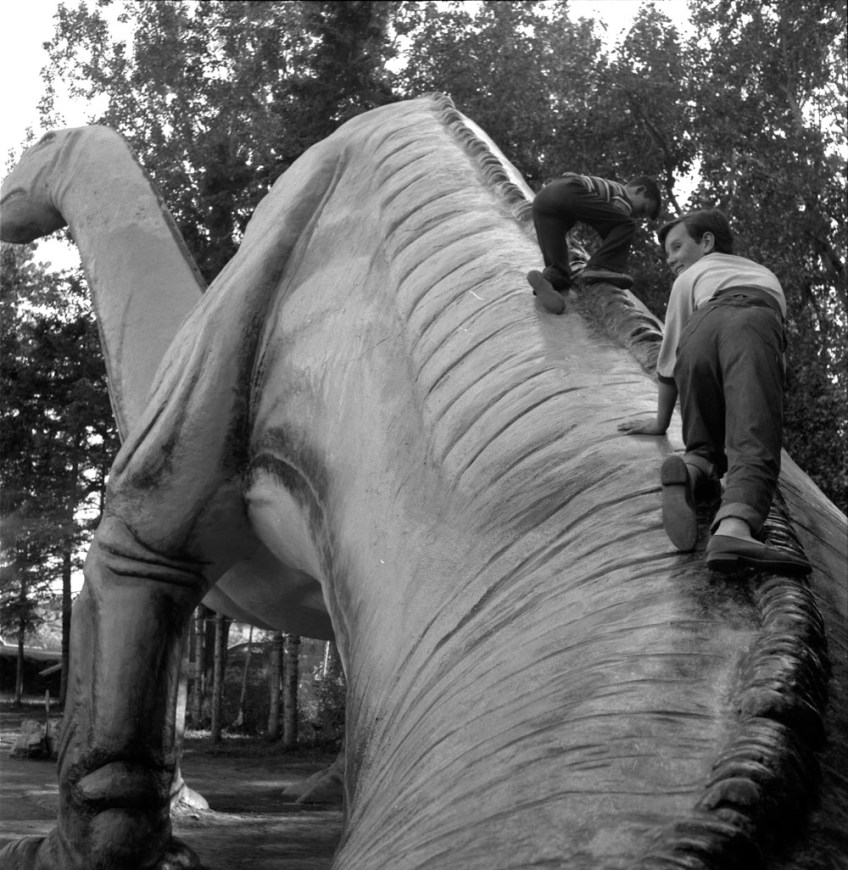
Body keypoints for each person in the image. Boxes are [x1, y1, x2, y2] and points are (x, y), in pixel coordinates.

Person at [618, 208, 810, 576]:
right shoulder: (759, 273)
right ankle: (735, 529)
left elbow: (669, 361)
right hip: (751, 320)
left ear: (707, 242)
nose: (671, 259)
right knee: (752, 430)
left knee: (703, 441)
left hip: (698, 332)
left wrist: (660, 424)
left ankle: (691, 471)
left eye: (676, 248)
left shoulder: (689, 280)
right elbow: (764, 366)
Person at [527, 172, 662, 315]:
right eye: (642, 209)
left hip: (543, 202)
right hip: (570, 190)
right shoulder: (622, 195)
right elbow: (615, 225)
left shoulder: (600, 188)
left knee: (559, 266)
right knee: (625, 225)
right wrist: (608, 258)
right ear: (639, 190)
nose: (638, 215)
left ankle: (548, 281)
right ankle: (601, 267)